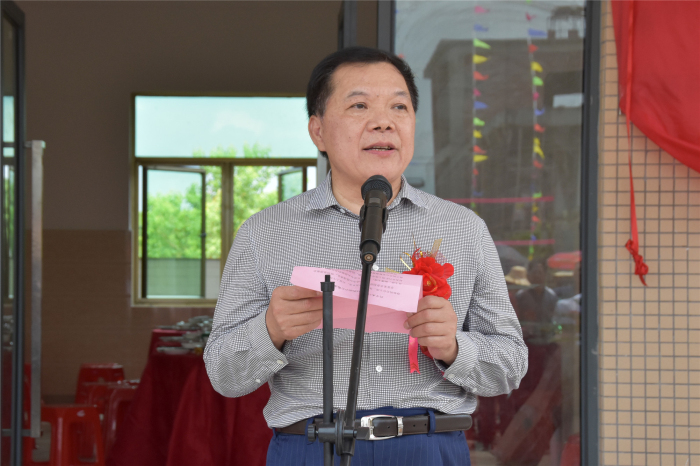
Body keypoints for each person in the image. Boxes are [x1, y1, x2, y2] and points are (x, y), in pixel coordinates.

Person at [204, 47, 528, 465]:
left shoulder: (463, 229)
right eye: (359, 105)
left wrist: (454, 347)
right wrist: (270, 329)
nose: (383, 121)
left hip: (428, 448)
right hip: (312, 448)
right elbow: (223, 374)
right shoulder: (265, 232)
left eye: (399, 106)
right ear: (318, 131)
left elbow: (511, 364)